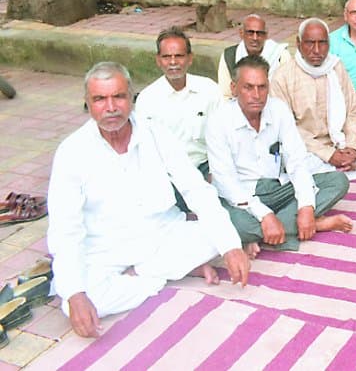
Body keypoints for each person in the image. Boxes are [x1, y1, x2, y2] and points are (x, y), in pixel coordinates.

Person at [47, 62, 250, 338]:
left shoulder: (155, 133)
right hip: (106, 248)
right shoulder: (72, 151)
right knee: (76, 302)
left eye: (118, 96)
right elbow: (65, 229)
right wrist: (75, 293)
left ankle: (145, 274)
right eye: (99, 99)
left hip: (162, 233)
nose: (110, 107)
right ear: (88, 103)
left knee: (223, 234)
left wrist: (229, 247)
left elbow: (196, 190)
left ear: (132, 97)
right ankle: (162, 275)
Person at [207, 55, 352, 256]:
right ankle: (312, 225)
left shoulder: (278, 110)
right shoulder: (218, 120)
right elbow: (226, 183)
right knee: (235, 224)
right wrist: (265, 215)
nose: (256, 95)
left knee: (338, 181)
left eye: (262, 87)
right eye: (248, 87)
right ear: (234, 88)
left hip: (278, 187)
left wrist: (306, 207)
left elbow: (297, 161)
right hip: (241, 195)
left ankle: (268, 232)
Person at [271, 18, 356, 180]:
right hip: (309, 149)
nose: (317, 50)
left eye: (322, 43)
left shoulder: (336, 67)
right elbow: (287, 129)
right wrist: (329, 154)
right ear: (298, 43)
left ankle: (335, 172)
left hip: (340, 141)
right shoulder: (282, 77)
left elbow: (352, 112)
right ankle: (341, 170)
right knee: (291, 163)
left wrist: (353, 148)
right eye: (310, 43)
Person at [136, 27, 221, 180]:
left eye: (179, 56)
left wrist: (215, 173)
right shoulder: (147, 100)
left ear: (190, 58)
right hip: (168, 174)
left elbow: (223, 137)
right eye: (167, 57)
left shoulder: (209, 90)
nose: (173, 62)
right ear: (158, 60)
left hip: (206, 167)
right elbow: (145, 150)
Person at [217, 14, 290, 99]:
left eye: (259, 33)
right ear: (241, 33)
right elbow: (226, 95)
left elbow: (288, 92)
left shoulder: (280, 56)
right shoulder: (229, 56)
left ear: (266, 35)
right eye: (250, 33)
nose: (255, 38)